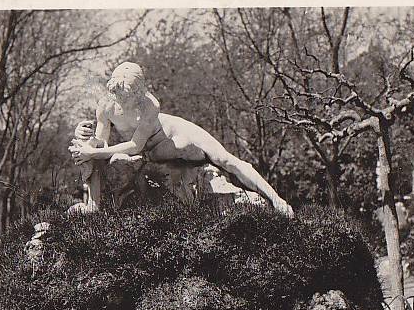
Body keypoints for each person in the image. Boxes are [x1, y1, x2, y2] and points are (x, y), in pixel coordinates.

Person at [68, 62, 294, 217]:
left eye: (130, 98)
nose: (125, 103)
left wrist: (93, 152)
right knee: (83, 148)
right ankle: (93, 206)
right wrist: (86, 138)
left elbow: (135, 145)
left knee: (226, 160)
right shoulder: (106, 106)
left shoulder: (149, 105)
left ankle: (277, 200)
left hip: (173, 134)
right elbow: (101, 142)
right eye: (120, 97)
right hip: (148, 153)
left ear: (139, 92)